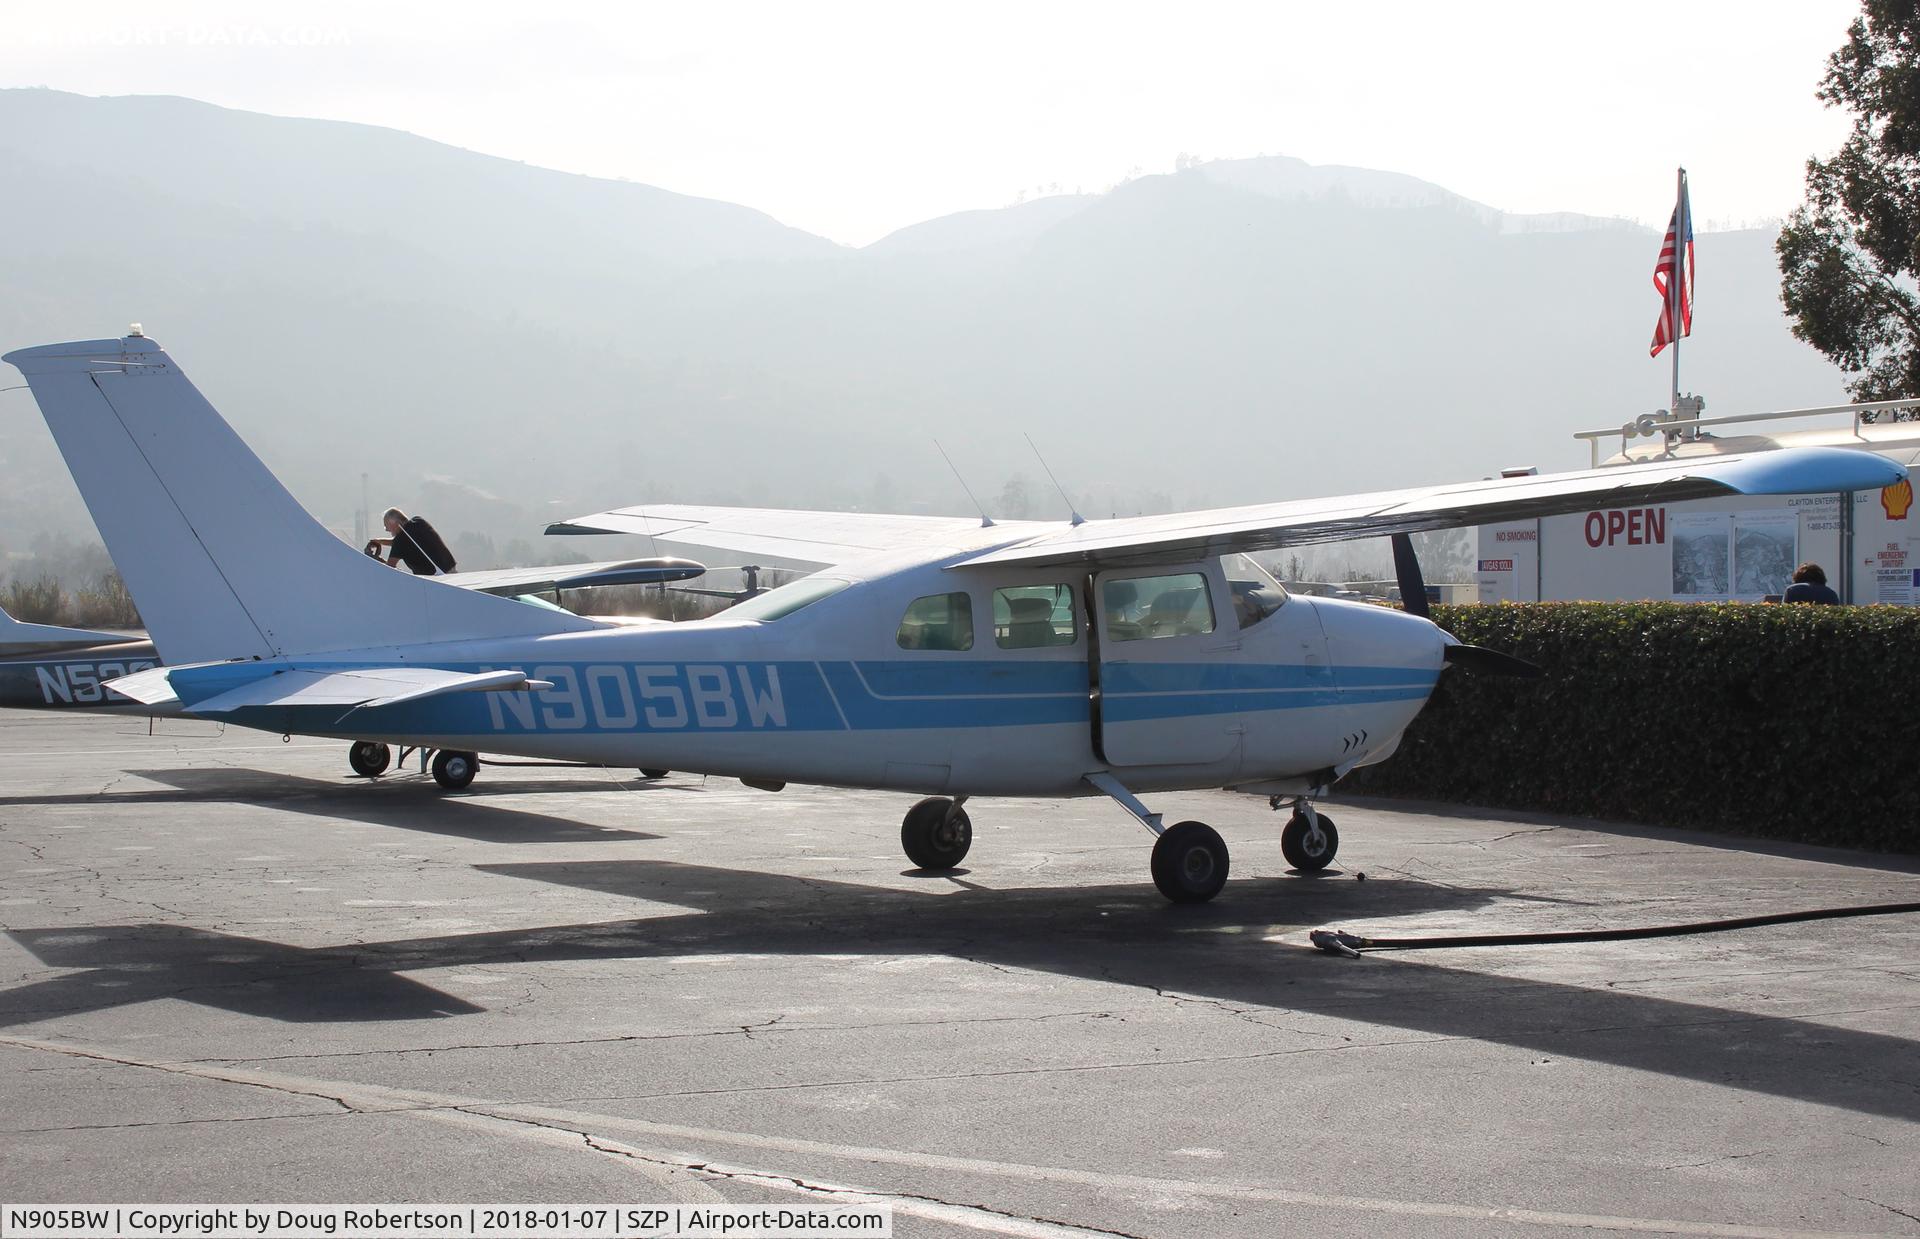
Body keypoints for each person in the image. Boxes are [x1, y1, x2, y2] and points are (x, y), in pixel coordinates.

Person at [364, 507, 456, 575]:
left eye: (386, 525)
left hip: (434, 581)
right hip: (452, 572)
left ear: (395, 523)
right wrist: (379, 541)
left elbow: (390, 569)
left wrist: (377, 559)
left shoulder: (400, 542)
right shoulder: (419, 521)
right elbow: (406, 542)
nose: (386, 530)